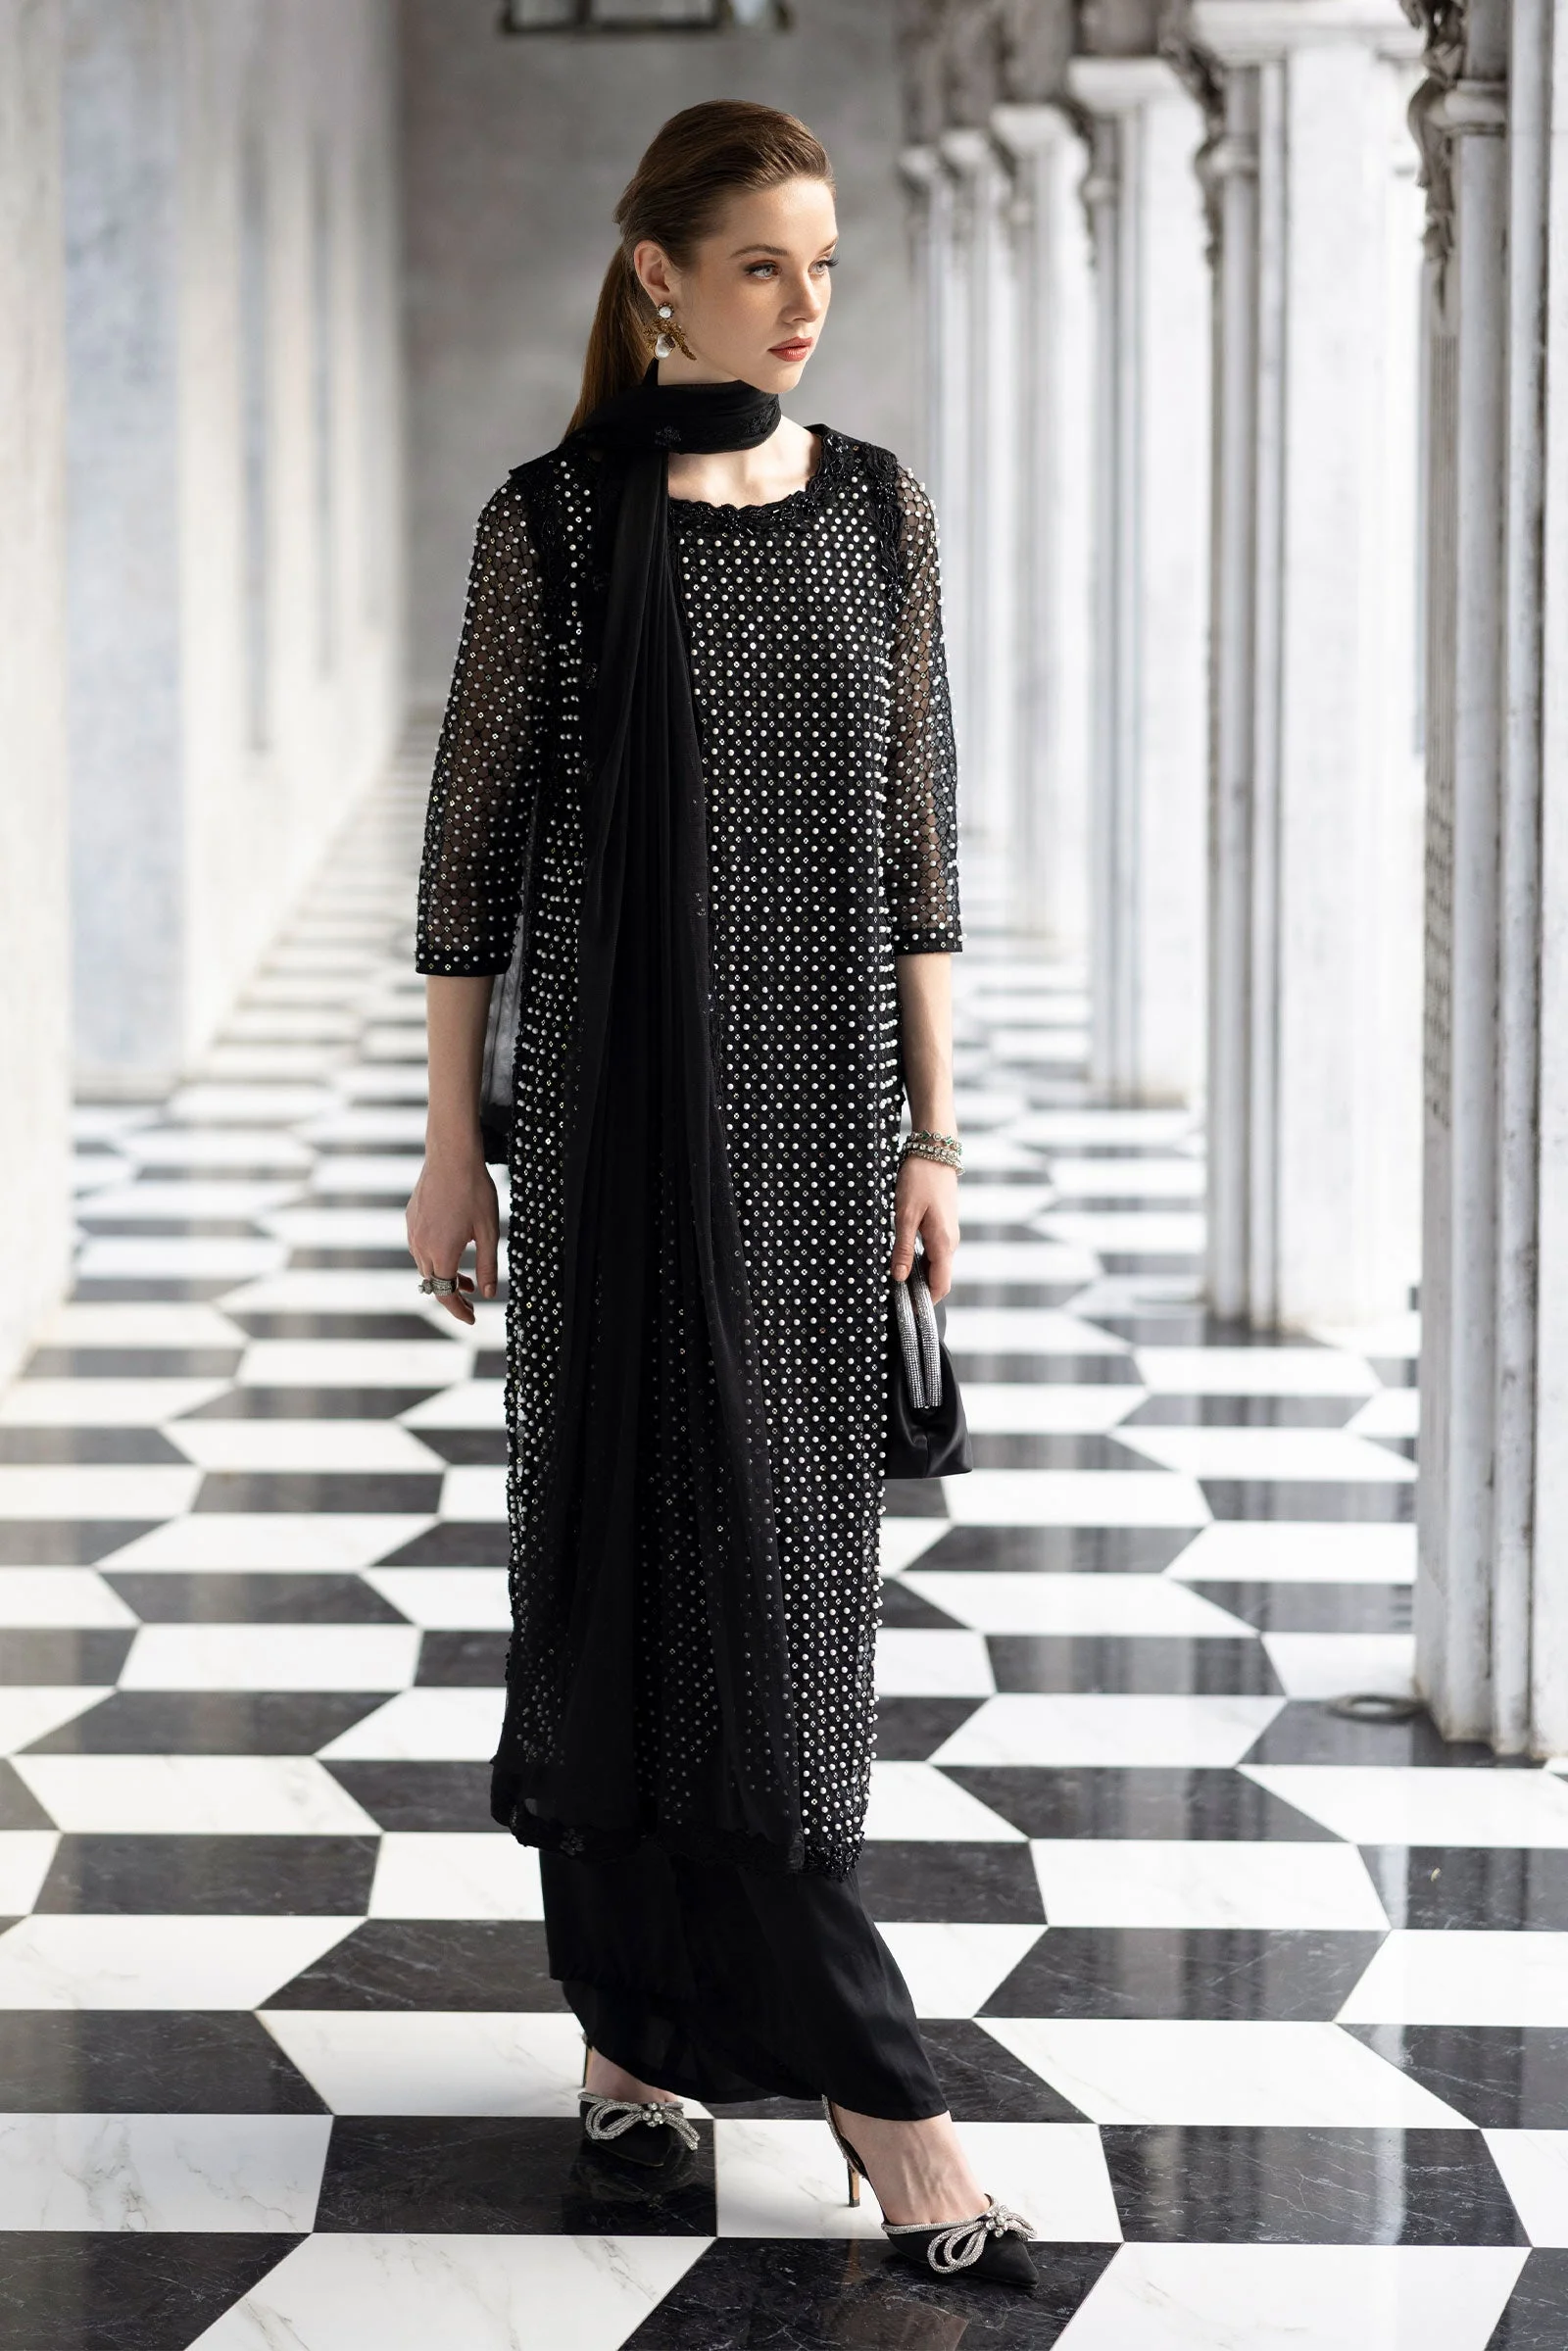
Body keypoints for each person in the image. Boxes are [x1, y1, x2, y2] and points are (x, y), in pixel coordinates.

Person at [406, 98, 1034, 2290]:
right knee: (614, 1562)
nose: (800, 303)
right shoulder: (554, 526)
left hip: (814, 1131)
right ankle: (689, 2050)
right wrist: (449, 1140)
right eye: (762, 262)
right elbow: (472, 857)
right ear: (657, 271)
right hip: (602, 1128)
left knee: (780, 1604)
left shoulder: (876, 509)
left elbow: (917, 847)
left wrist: (930, 1136)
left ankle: (830, 2063)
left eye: (823, 265)